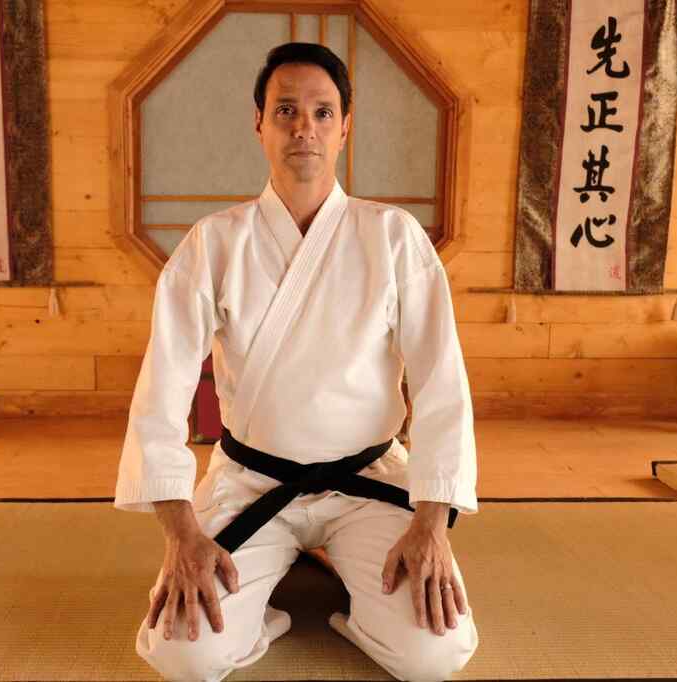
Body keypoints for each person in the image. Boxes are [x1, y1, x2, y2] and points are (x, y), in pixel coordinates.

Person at [113, 41, 480, 682]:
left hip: (368, 483)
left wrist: (432, 521)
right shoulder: (214, 243)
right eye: (285, 110)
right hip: (252, 482)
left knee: (435, 652)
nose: (304, 127)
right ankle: (275, 607)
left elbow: (441, 384)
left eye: (322, 112)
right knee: (184, 656)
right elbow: (161, 391)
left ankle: (334, 587)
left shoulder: (393, 237)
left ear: (345, 127)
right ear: (259, 123)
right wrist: (181, 531)